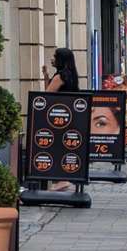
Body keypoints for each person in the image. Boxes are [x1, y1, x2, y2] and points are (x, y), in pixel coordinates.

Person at [42, 48, 80, 191]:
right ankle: (64, 178)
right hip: (69, 116)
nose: (52, 59)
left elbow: (48, 94)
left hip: (58, 116)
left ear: (61, 60)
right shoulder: (71, 75)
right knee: (64, 146)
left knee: (56, 146)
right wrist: (46, 76)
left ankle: (62, 179)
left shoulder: (60, 76)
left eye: (55, 57)